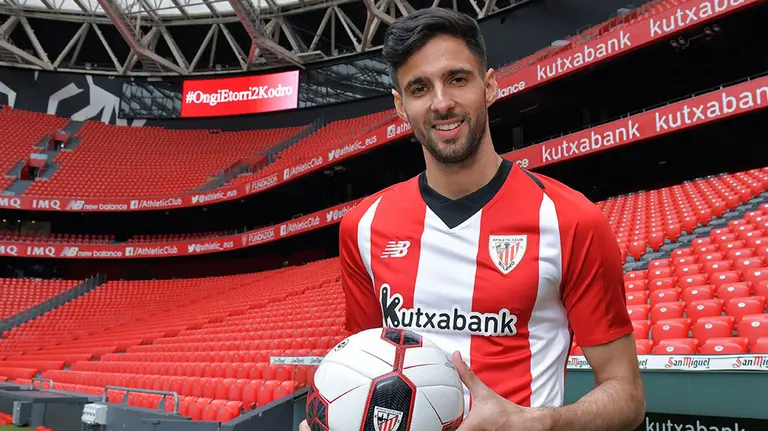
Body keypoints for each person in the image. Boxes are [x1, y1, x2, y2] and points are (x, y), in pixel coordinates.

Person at [301, 8, 645, 431]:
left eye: (457, 79)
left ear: (490, 86)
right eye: (419, 88)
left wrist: (536, 423)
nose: (441, 102)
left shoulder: (570, 220)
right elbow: (363, 368)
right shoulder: (363, 227)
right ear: (400, 106)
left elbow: (626, 395)